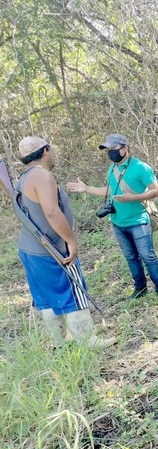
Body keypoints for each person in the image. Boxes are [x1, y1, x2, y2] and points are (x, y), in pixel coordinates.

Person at [15, 136, 116, 348]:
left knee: (46, 296)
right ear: (45, 151)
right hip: (52, 248)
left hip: (31, 248)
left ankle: (60, 341)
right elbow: (51, 212)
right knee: (73, 290)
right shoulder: (42, 176)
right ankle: (87, 340)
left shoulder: (22, 178)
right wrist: (70, 240)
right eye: (50, 150)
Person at [66, 134, 158, 305]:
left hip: (139, 221)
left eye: (114, 149)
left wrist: (133, 198)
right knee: (130, 257)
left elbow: (155, 191)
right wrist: (86, 189)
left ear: (125, 148)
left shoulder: (141, 168)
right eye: (108, 150)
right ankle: (140, 288)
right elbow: (109, 191)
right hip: (117, 222)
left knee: (148, 256)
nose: (111, 153)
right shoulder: (112, 168)